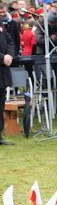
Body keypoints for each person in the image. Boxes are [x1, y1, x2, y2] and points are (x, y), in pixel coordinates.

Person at [0, 17, 15, 145]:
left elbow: (10, 40)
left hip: (2, 72)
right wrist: (2, 57)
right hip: (2, 61)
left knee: (1, 104)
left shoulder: (1, 24)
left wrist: (9, 55)